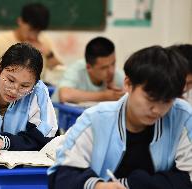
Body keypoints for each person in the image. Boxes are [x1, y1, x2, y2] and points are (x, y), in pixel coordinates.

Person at [48, 46, 192, 189]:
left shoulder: (182, 116)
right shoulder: (96, 119)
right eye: (150, 99)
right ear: (128, 84)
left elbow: (188, 178)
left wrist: (131, 184)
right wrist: (98, 186)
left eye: (167, 101)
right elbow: (62, 177)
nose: (157, 110)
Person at [0, 3, 61, 83]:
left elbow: (60, 72)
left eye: (38, 31)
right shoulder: (1, 40)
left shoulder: (44, 40)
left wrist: (48, 54)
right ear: (20, 21)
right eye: (30, 30)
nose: (33, 36)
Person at [51, 37, 124, 103]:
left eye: (113, 64)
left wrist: (119, 94)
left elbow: (130, 91)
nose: (111, 71)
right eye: (104, 68)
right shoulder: (77, 70)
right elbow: (64, 95)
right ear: (88, 67)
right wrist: (104, 96)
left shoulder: (116, 74)